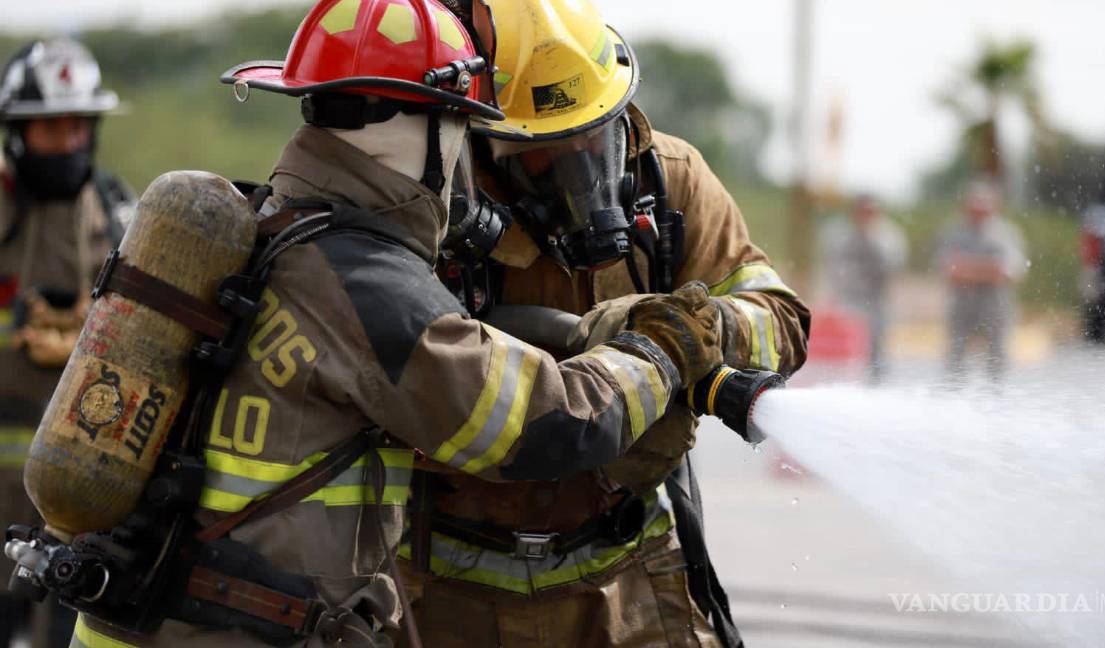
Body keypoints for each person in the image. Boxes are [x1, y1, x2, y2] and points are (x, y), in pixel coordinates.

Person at [67, 1, 724, 646]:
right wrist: (658, 352)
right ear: (423, 132)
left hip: (140, 619)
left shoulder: (266, 231)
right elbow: (542, 425)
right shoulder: (364, 284)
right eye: (458, 127)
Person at [398, 1, 811, 646]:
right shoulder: (426, 204)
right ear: (480, 137)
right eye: (545, 150)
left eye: (594, 132)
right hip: (445, 592)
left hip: (628, 578)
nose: (581, 163)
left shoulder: (669, 179)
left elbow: (781, 317)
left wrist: (705, 330)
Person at [0, 38, 133, 648]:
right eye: (50, 127)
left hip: (78, 505)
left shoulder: (119, 215)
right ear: (17, 132)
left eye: (78, 125)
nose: (68, 141)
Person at [937, 181, 1027, 382]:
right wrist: (988, 268)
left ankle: (996, 404)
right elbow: (948, 269)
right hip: (962, 306)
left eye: (984, 204)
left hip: (994, 306)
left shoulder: (1006, 234)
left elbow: (1009, 272)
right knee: (955, 359)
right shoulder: (953, 233)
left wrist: (968, 267)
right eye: (974, 204)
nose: (978, 210)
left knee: (997, 360)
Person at [819, 194, 906, 380]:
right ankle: (848, 381)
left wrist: (870, 239)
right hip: (849, 299)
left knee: (876, 346)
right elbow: (833, 267)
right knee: (849, 346)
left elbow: (892, 269)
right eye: (863, 211)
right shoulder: (840, 234)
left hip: (876, 299)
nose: (866, 216)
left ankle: (877, 382)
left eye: (870, 212)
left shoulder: (887, 236)